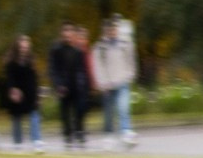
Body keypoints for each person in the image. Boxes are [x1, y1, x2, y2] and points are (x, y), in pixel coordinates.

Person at [92, 14, 138, 149]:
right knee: (109, 111)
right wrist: (102, 82)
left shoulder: (125, 43)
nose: (112, 32)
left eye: (114, 28)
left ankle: (126, 132)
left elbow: (131, 60)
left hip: (122, 80)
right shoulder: (100, 47)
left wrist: (130, 74)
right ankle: (108, 136)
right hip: (108, 83)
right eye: (109, 29)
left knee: (124, 108)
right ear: (105, 31)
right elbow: (98, 67)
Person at [48, 24, 92, 150]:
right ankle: (68, 135)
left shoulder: (78, 51)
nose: (67, 34)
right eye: (65, 31)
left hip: (77, 86)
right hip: (63, 86)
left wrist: (84, 83)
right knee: (65, 112)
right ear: (62, 33)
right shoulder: (56, 50)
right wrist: (58, 85)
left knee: (79, 110)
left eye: (70, 31)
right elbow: (53, 69)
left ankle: (80, 131)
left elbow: (82, 69)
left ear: (73, 33)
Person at [0, 35, 43, 152]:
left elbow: (35, 79)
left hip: (30, 93)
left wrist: (37, 94)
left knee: (34, 116)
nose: (24, 50)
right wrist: (12, 90)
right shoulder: (11, 63)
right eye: (22, 47)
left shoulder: (31, 61)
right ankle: (17, 142)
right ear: (17, 48)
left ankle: (37, 140)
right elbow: (9, 79)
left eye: (26, 47)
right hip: (16, 94)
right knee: (16, 118)